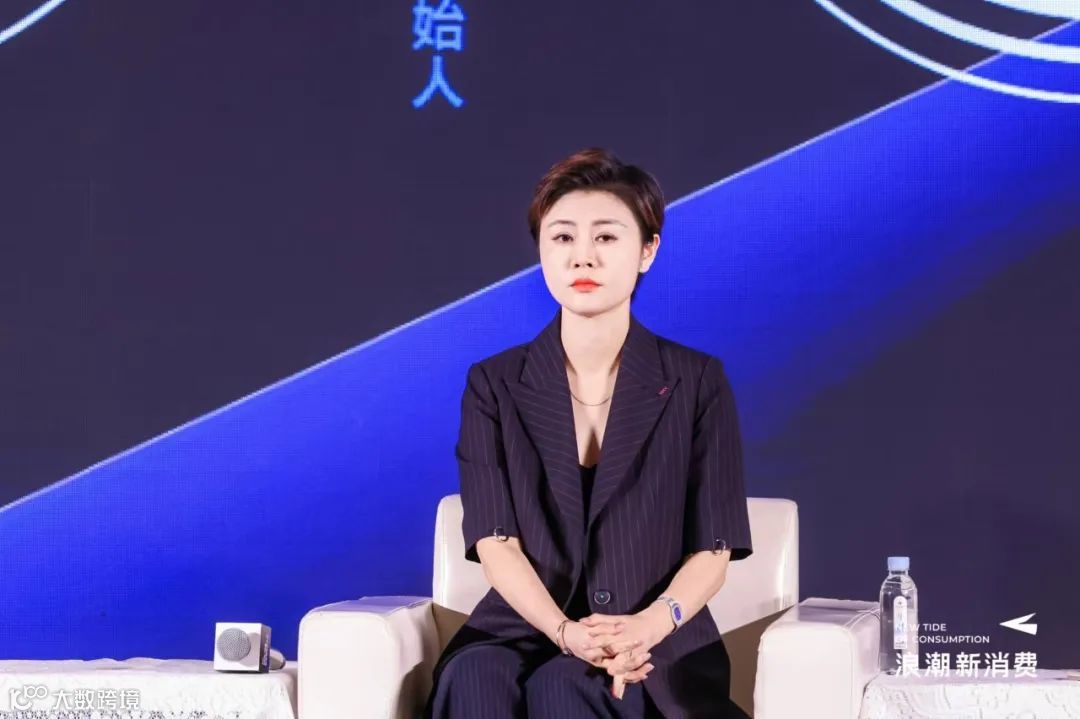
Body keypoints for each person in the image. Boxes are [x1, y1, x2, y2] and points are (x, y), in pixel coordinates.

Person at [424, 148, 754, 719]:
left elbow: (714, 547)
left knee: (567, 686)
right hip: (524, 626)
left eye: (605, 237)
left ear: (647, 250)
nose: (583, 256)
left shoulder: (697, 380)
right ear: (541, 251)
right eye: (562, 237)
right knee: (474, 678)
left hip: (653, 634)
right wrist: (563, 630)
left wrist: (647, 626)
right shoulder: (494, 384)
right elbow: (495, 541)